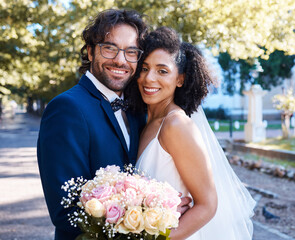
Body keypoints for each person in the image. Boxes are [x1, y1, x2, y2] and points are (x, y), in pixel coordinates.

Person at [37, 9, 191, 240]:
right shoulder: (66, 108)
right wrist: (157, 218)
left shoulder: (137, 108)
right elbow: (65, 210)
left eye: (131, 52)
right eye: (109, 48)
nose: (120, 60)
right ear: (90, 51)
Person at [131, 27, 256, 239]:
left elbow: (207, 205)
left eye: (162, 71)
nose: (148, 78)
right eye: (144, 68)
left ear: (180, 79)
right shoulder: (144, 121)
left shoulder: (176, 125)